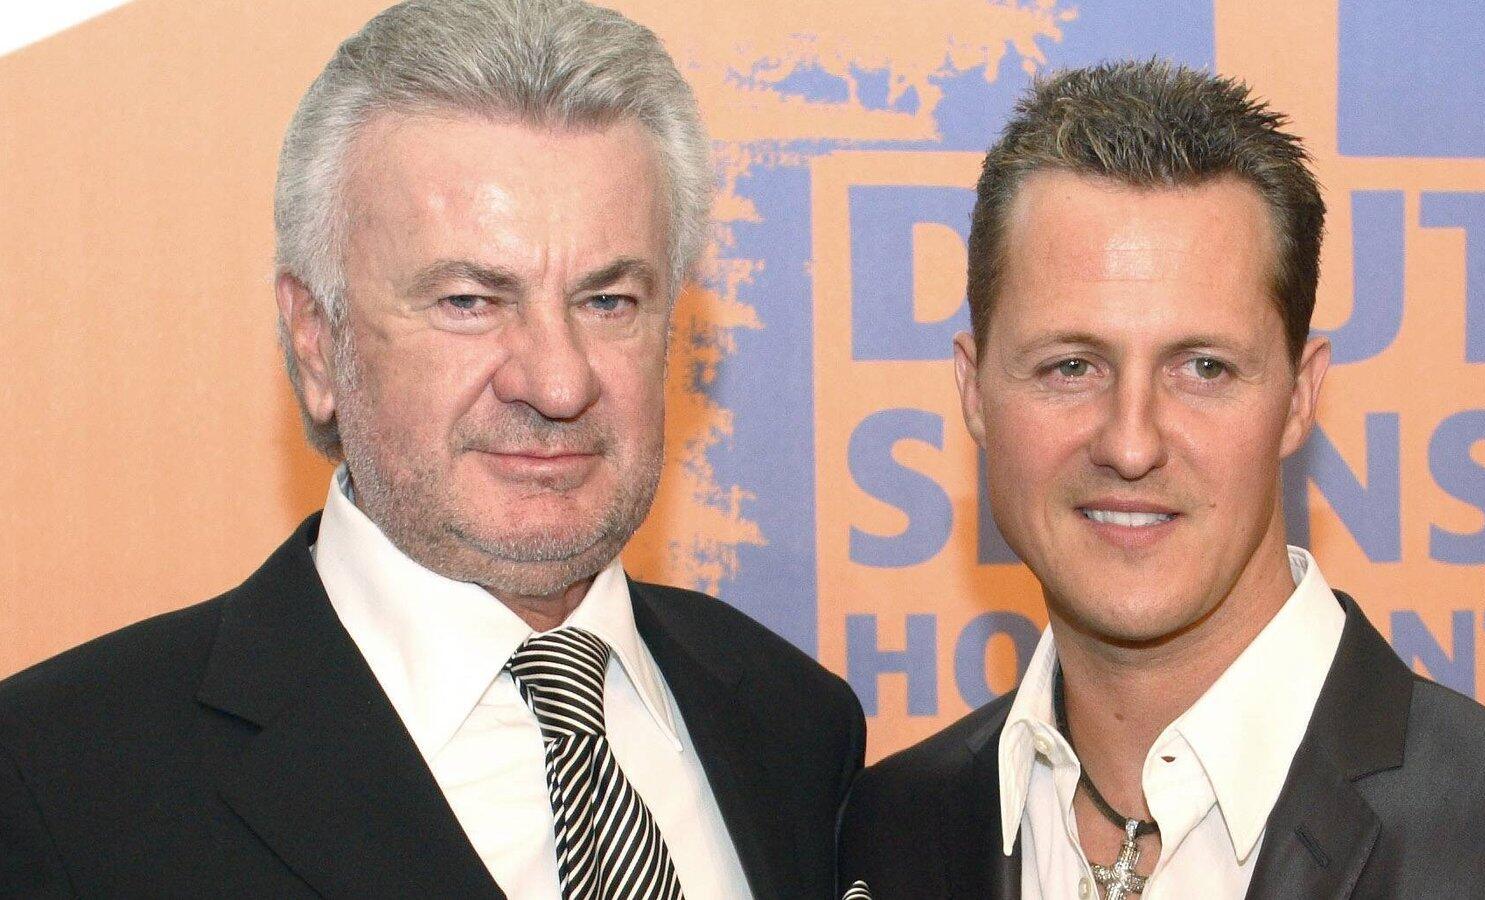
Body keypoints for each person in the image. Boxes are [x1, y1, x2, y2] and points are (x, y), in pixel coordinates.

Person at [0, 1, 863, 897]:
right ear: (316, 342)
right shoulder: (59, 786)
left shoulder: (797, 725)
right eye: (469, 302)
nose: (557, 383)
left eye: (608, 301)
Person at [837, 60, 1485, 900]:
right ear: (974, 391)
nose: (1131, 444)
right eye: (1070, 366)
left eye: (1203, 367)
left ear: (1299, 397)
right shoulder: (889, 828)